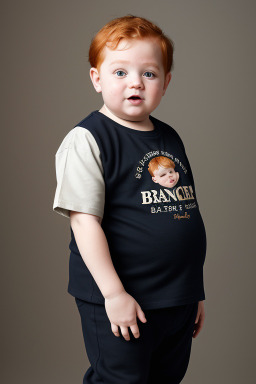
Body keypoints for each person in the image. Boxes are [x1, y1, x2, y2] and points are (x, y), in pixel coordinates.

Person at [53, 14, 207, 384]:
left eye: (149, 74)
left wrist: (193, 291)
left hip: (176, 297)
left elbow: (181, 210)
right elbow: (83, 221)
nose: (135, 82)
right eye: (120, 72)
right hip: (122, 298)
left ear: (166, 83)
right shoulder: (88, 139)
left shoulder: (170, 137)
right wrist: (113, 293)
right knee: (121, 379)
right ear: (97, 78)